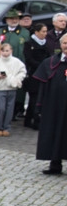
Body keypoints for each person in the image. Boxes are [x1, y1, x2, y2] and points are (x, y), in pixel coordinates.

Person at [33, 32, 67, 174]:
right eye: (65, 43)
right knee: (54, 132)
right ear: (60, 45)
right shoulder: (50, 62)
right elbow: (43, 86)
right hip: (54, 106)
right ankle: (55, 165)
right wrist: (39, 105)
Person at [0, 42, 26, 137]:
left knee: (9, 109)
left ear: (11, 51)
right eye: (3, 51)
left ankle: (6, 127)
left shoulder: (16, 61)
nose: (5, 53)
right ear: (0, 51)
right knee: (1, 108)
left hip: (12, 87)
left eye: (7, 50)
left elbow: (23, 71)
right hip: (0, 88)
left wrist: (17, 79)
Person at [23, 22, 50, 130]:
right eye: (43, 31)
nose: (45, 34)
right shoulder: (29, 44)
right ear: (36, 32)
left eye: (46, 31)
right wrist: (41, 66)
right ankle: (31, 120)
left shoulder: (46, 44)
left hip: (43, 73)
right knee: (33, 98)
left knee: (40, 98)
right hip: (33, 73)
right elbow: (29, 59)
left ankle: (35, 119)